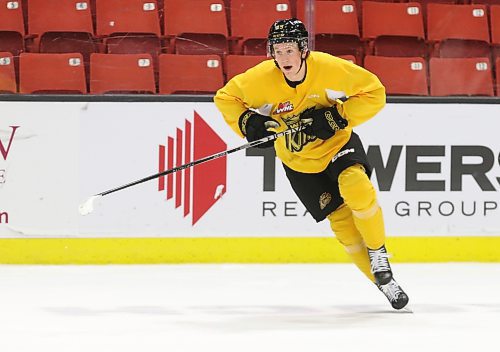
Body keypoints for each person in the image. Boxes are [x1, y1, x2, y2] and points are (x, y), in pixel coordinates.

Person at [214, 18, 409, 310]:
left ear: (303, 50)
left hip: (337, 146)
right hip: (298, 162)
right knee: (342, 225)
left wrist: (338, 116)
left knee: (356, 186)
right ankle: (384, 282)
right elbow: (225, 98)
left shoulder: (329, 68)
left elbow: (374, 92)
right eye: (277, 51)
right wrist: (250, 123)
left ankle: (378, 251)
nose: (283, 58)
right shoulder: (259, 79)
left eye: (289, 50)